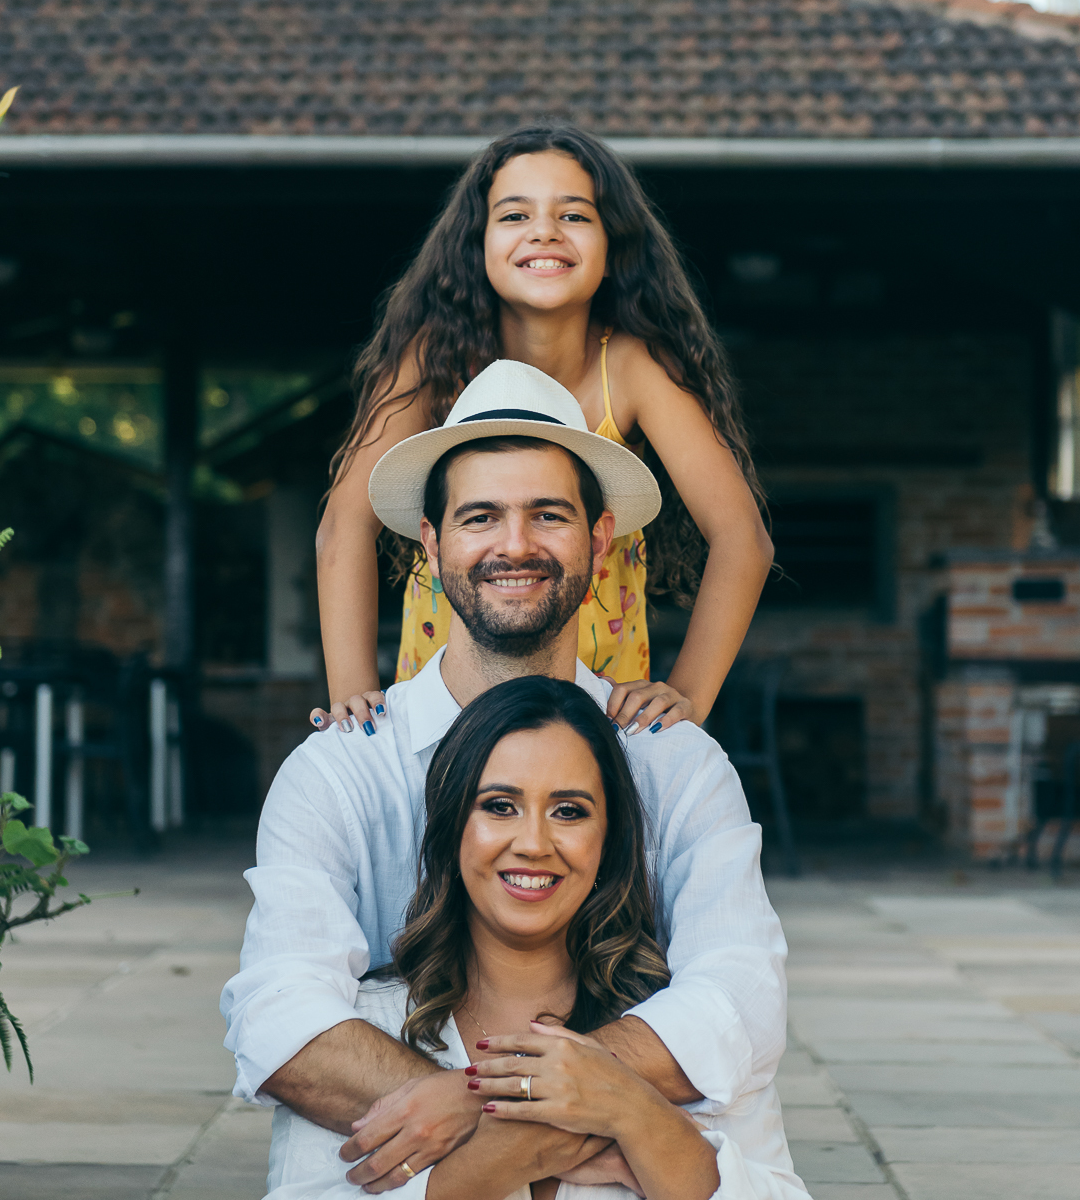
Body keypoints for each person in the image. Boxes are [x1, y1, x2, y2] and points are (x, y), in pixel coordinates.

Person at [87, 367, 975, 1200]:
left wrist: (525, 1092)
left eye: (549, 512)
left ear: (601, 539)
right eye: (482, 516)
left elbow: (738, 996)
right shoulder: (346, 762)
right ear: (428, 543)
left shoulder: (667, 755)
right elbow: (283, 1021)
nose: (517, 542)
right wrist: (550, 1119)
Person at [244, 675, 826, 1200]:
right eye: (500, 805)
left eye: (570, 810)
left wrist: (626, 1106)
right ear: (452, 828)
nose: (533, 842)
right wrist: (528, 1139)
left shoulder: (673, 1040)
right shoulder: (367, 1038)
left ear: (609, 840)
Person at [313, 120, 774, 738]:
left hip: (595, 708)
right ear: (475, 246)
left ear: (615, 249)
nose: (544, 232)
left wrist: (688, 695)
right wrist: (352, 703)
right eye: (513, 215)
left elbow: (743, 536)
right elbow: (344, 525)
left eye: (575, 215)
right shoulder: (432, 359)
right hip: (446, 703)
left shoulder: (633, 368)